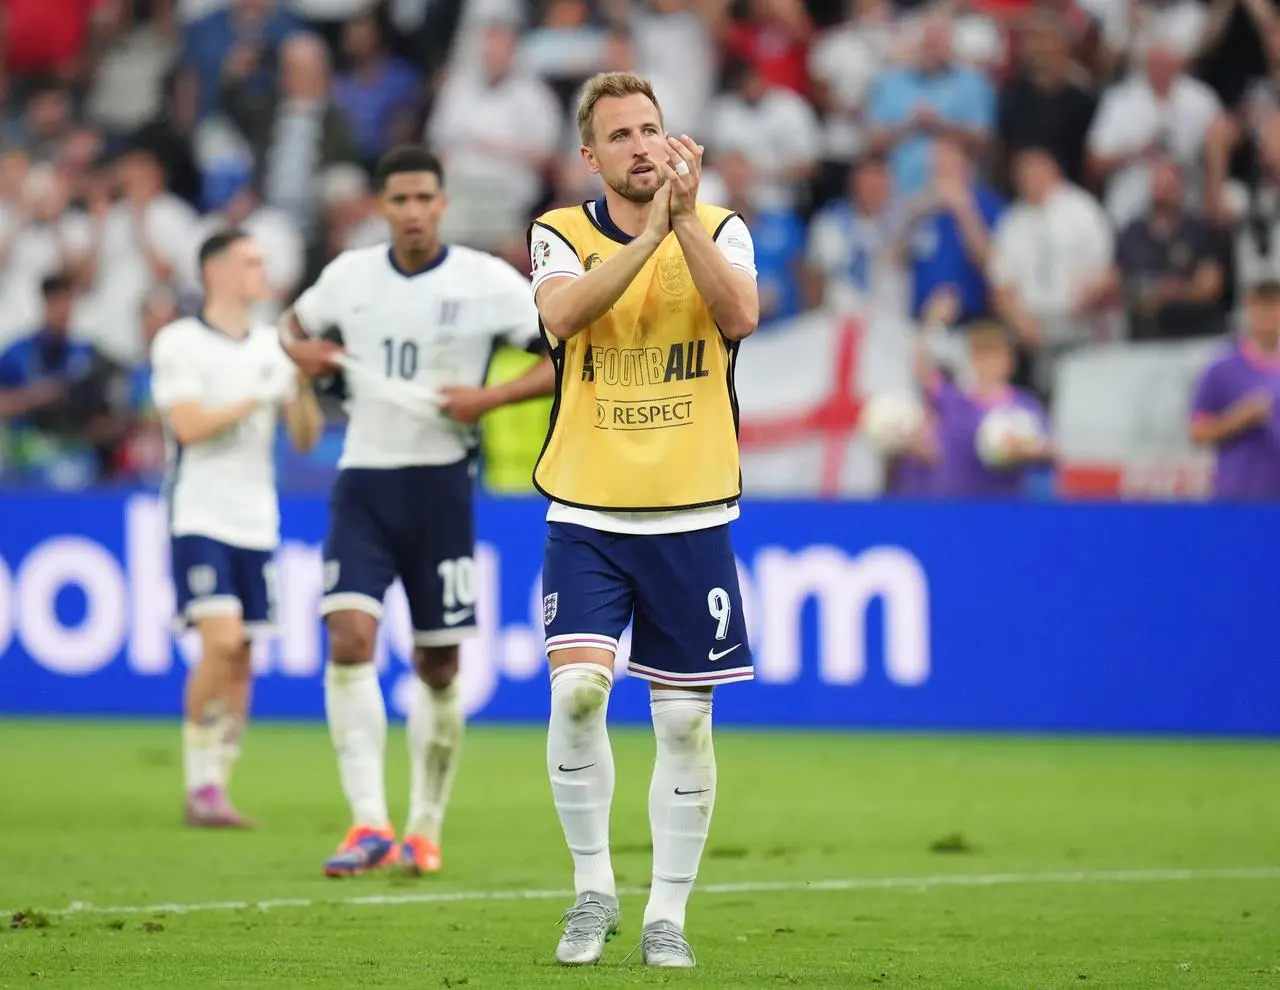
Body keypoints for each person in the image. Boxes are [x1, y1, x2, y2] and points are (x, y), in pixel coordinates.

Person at [527, 71, 759, 969]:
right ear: (592, 155)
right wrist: (650, 234)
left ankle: (668, 910)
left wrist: (685, 224)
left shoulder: (724, 227)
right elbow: (563, 315)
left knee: (684, 724)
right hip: (587, 506)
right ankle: (593, 892)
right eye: (619, 135)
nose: (640, 146)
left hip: (692, 509)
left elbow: (740, 314)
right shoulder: (559, 233)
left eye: (651, 129)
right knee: (579, 693)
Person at [278, 145, 555, 878]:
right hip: (363, 482)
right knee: (348, 638)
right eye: (397, 200)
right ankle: (368, 821)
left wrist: (488, 399)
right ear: (381, 205)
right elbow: (289, 329)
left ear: (442, 204)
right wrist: (305, 363)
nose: (411, 212)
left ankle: (424, 827)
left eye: (423, 199)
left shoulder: (488, 283)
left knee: (436, 663)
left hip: (440, 490)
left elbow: (563, 358)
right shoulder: (348, 277)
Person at [150, 229, 324, 827]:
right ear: (217, 271)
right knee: (219, 643)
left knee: (244, 654)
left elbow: (304, 437)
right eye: (250, 261)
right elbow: (188, 426)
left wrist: (298, 385)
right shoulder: (180, 340)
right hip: (199, 510)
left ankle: (218, 782)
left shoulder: (273, 346)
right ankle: (198, 784)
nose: (261, 271)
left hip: (257, 518)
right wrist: (258, 397)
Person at [913, 290, 1053, 498]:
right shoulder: (953, 400)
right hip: (953, 509)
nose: (986, 364)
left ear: (1009, 362)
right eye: (980, 355)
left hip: (1002, 511)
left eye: (994, 355)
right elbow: (921, 368)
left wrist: (1022, 449)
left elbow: (1050, 450)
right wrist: (933, 320)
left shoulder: (1023, 405)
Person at [1189, 278, 1280, 500]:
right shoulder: (1222, 369)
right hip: (1238, 499)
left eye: (1274, 307)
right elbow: (1197, 431)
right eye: (1260, 306)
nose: (1267, 316)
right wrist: (1238, 420)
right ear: (1248, 309)